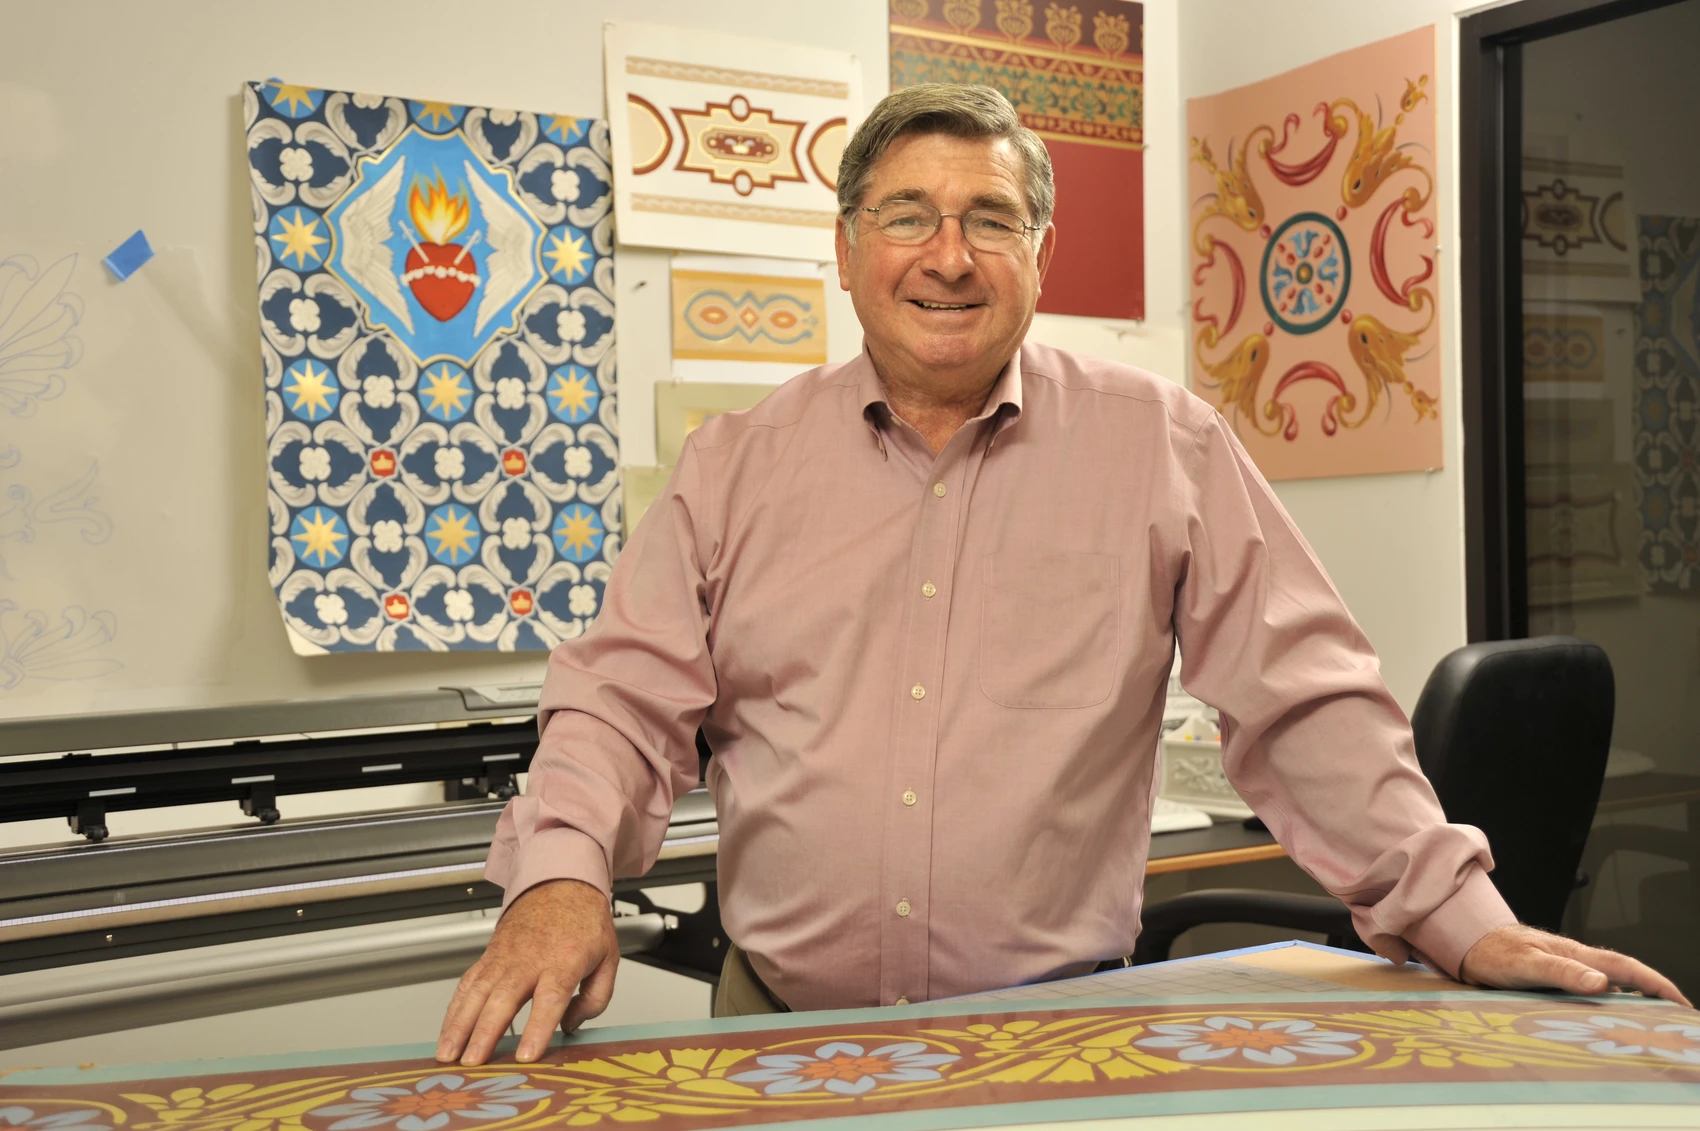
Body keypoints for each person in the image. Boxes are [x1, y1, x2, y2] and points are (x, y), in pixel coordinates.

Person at [436, 83, 1687, 1067]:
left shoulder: (1165, 445)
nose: (948, 254)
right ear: (844, 247)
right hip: (776, 1032)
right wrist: (557, 877)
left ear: (1040, 249)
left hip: (1058, 1045)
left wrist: (1464, 924)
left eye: (989, 218)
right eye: (907, 215)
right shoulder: (730, 466)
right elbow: (617, 701)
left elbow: (1303, 704)